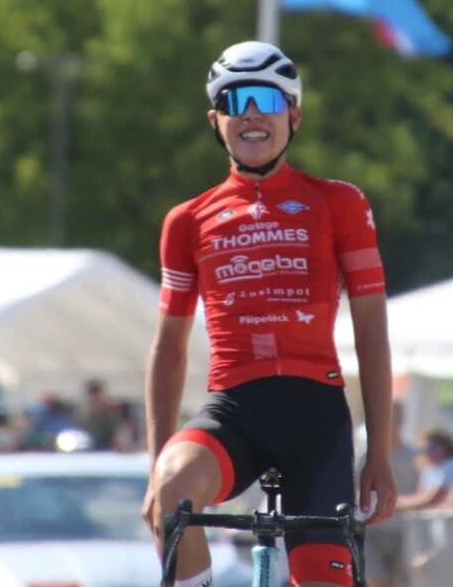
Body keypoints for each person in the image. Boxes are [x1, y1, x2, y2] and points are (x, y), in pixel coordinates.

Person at [141, 41, 397, 587]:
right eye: (235, 101)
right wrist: (156, 474)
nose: (252, 114)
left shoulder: (339, 203)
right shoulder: (187, 220)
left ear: (294, 116)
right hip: (235, 412)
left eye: (268, 100)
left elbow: (372, 334)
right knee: (175, 485)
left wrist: (380, 452)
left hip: (316, 418)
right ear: (216, 121)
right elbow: (168, 350)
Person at [357, 403, 418, 587]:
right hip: (371, 527)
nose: (394, 425)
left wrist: (400, 504)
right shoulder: (366, 454)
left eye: (398, 420)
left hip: (402, 529)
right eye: (391, 419)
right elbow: (355, 486)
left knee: (398, 582)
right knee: (376, 579)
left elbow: (421, 489)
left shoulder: (412, 456)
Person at [397, 428, 453, 511]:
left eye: (431, 448)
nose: (426, 453)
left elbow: (433, 500)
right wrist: (396, 502)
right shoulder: (431, 469)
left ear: (444, 447)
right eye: (422, 450)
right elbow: (420, 495)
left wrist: (396, 505)